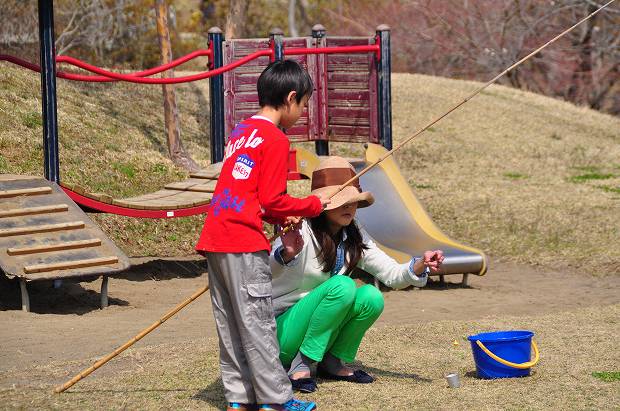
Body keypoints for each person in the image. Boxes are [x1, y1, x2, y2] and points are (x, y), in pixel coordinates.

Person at [196, 60, 330, 411]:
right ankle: (275, 400)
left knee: (230, 324)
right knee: (257, 322)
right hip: (242, 242)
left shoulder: (241, 132)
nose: (301, 113)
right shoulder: (274, 139)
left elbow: (255, 197)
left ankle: (239, 399)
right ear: (289, 98)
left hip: (215, 239)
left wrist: (281, 217)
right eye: (302, 105)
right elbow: (273, 198)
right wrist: (313, 205)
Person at [269, 156, 444, 393]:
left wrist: (421, 264)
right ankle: (304, 364)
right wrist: (287, 253)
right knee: (342, 285)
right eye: (342, 200)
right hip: (282, 335)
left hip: (317, 332)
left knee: (372, 296)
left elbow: (391, 274)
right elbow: (266, 272)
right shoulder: (298, 227)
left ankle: (332, 361)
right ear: (322, 205)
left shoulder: (354, 234)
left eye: (353, 200)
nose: (349, 206)